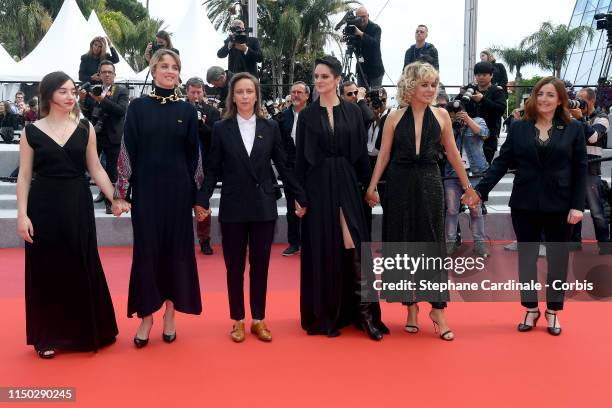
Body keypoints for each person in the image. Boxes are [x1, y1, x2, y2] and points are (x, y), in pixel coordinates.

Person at [366, 62, 479, 341]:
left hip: (429, 182)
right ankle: (411, 307)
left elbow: (453, 154)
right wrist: (372, 186)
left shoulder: (441, 115)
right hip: (399, 183)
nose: (429, 90)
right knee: (402, 243)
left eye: (433, 85)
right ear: (410, 86)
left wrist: (468, 188)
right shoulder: (393, 117)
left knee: (431, 244)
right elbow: (383, 155)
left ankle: (438, 309)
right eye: (424, 84)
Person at [469, 76, 587, 336]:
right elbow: (501, 162)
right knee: (527, 258)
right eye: (540, 94)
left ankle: (553, 311)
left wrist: (578, 205)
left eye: (550, 95)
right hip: (525, 203)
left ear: (559, 100)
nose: (544, 99)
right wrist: (480, 190)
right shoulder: (520, 127)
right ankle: (531, 308)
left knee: (557, 258)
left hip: (561, 203)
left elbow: (580, 169)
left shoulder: (573, 128)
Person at [195, 72, 307, 343]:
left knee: (261, 265)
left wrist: (299, 195)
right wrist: (201, 200)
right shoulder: (222, 128)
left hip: (263, 205)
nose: (244, 96)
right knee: (234, 267)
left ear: (256, 95)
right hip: (233, 206)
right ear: (232, 96)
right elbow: (211, 170)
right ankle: (238, 320)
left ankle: (258, 318)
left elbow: (282, 165)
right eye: (240, 92)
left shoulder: (270, 127)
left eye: (249, 91)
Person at [16, 71, 119, 359]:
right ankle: (47, 335)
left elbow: (96, 169)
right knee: (46, 268)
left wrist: (116, 197)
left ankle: (86, 332)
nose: (71, 95)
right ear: (48, 95)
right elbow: (24, 177)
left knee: (80, 262)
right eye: (63, 91)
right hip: (43, 205)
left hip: (77, 202)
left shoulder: (85, 127)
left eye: (73, 90)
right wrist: (22, 215)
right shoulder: (31, 131)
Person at [114, 49, 203, 348]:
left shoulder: (188, 111)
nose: (170, 71)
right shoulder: (137, 108)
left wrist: (198, 197)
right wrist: (121, 193)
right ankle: (146, 317)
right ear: (153, 71)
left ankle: (169, 314)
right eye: (164, 66)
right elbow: (127, 151)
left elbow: (195, 158)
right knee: (147, 253)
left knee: (177, 253)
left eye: (175, 67)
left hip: (178, 193)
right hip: (147, 193)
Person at [296, 55, 387, 340]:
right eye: (317, 76)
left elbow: (361, 155)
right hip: (319, 186)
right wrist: (300, 196)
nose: (319, 81)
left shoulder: (352, 112)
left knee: (354, 242)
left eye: (325, 76)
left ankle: (365, 314)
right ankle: (327, 313)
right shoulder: (308, 115)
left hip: (348, 183)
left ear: (337, 79)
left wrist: (369, 188)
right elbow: (300, 159)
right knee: (324, 246)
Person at [79, 60, 129, 214]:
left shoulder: (121, 90)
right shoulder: (94, 90)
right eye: (104, 72)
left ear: (114, 75)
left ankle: (110, 202)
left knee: (112, 170)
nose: (107, 74)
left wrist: (102, 100)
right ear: (99, 74)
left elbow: (121, 111)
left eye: (110, 72)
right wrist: (82, 99)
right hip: (95, 135)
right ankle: (90, 196)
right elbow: (87, 114)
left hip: (113, 136)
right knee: (88, 167)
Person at [569, 87, 611, 254]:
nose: (578, 103)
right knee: (573, 207)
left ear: (592, 101)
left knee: (597, 211)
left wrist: (579, 120)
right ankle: (574, 242)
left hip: (591, 168)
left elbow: (593, 137)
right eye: (577, 100)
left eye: (582, 100)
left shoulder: (602, 117)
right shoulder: (573, 118)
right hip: (572, 168)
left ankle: (605, 244)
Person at [443, 108, 490, 257]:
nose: (456, 114)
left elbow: (484, 134)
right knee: (451, 210)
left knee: (476, 210)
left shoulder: (477, 120)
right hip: (452, 174)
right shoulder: (448, 125)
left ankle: (479, 244)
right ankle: (450, 243)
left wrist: (468, 120)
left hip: (475, 173)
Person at [185, 77, 222, 255]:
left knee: (203, 204)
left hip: (205, 166)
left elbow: (217, 137)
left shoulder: (212, 112)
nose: (196, 95)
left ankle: (204, 240)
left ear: (204, 93)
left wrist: (202, 125)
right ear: (187, 92)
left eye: (199, 92)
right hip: (183, 166)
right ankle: (181, 240)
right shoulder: (180, 110)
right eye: (193, 92)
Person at [278, 81, 310, 256]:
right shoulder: (282, 116)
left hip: (310, 168)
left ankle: (310, 242)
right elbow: (279, 143)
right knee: (291, 206)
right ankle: (293, 243)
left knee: (310, 206)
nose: (296, 95)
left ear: (306, 95)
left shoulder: (314, 115)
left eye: (299, 92)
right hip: (289, 168)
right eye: (293, 92)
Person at [462, 61, 507, 165]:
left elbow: (500, 110)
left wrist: (483, 100)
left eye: (484, 75)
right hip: (469, 136)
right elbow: (458, 105)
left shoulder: (497, 91)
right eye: (478, 75)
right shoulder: (470, 90)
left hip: (488, 138)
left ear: (491, 75)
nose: (481, 77)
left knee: (483, 168)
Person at [351, 6, 385, 88]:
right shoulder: (354, 28)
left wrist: (361, 34)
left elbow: (375, 44)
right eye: (359, 17)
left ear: (368, 16)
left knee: (375, 97)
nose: (362, 19)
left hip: (375, 70)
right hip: (361, 68)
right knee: (361, 95)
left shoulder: (376, 28)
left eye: (364, 16)